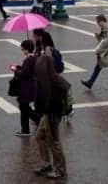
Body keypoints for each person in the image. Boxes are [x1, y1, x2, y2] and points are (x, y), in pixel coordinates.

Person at [34, 41, 70, 179]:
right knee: (39, 136)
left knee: (54, 142)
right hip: (47, 112)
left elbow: (65, 89)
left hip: (53, 114)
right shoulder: (47, 77)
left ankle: (60, 170)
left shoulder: (54, 80)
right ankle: (47, 164)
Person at [80, 14, 108, 92]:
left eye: (98, 22)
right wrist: (98, 36)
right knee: (99, 67)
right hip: (106, 51)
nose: (97, 24)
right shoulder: (105, 28)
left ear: (102, 21)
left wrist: (98, 51)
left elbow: (106, 42)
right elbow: (103, 40)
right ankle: (90, 83)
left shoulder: (107, 29)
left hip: (107, 52)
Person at [13, 39, 38, 137]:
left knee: (24, 108)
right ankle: (28, 127)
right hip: (31, 86)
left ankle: (27, 129)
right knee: (25, 107)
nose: (22, 51)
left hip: (26, 88)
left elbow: (24, 74)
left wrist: (15, 70)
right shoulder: (34, 58)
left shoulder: (28, 60)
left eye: (23, 49)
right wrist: (20, 67)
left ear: (27, 50)